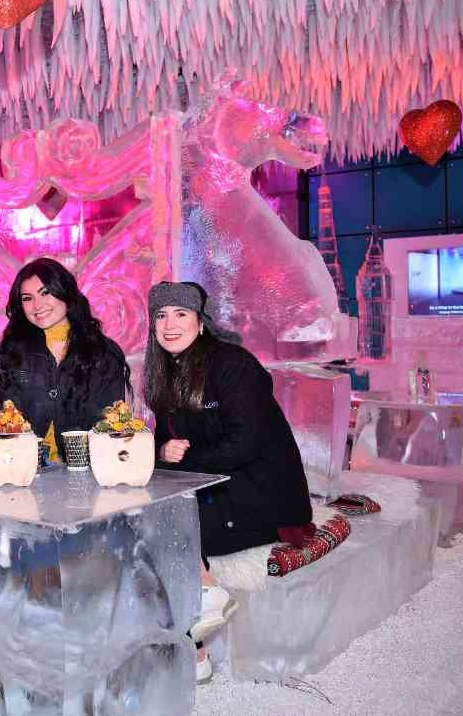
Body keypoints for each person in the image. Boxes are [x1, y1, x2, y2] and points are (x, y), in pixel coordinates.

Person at [144, 280, 313, 682]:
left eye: (181, 314)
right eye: (161, 316)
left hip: (262, 490)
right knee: (145, 517)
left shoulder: (233, 364)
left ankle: (196, 634)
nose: (170, 324)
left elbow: (246, 443)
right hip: (211, 482)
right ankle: (197, 639)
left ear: (201, 323)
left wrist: (182, 464)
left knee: (165, 526)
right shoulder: (166, 373)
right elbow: (165, 438)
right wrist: (160, 450)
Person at [0, 257, 130, 464]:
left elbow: (109, 419)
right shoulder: (13, 349)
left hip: (88, 466)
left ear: (65, 293)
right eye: (27, 298)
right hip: (24, 466)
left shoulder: (104, 352)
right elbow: (5, 412)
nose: (37, 305)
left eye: (45, 293)